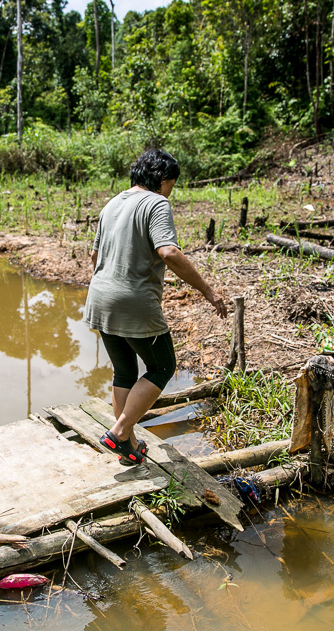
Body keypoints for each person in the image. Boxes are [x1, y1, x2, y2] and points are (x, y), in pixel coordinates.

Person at [83, 148, 228, 466]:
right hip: (133, 301)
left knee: (124, 371)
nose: (171, 191)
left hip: (100, 296)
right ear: (163, 179)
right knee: (162, 367)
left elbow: (94, 257)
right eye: (172, 184)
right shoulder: (156, 202)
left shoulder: (112, 203)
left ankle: (129, 446)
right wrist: (209, 291)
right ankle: (120, 431)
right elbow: (169, 252)